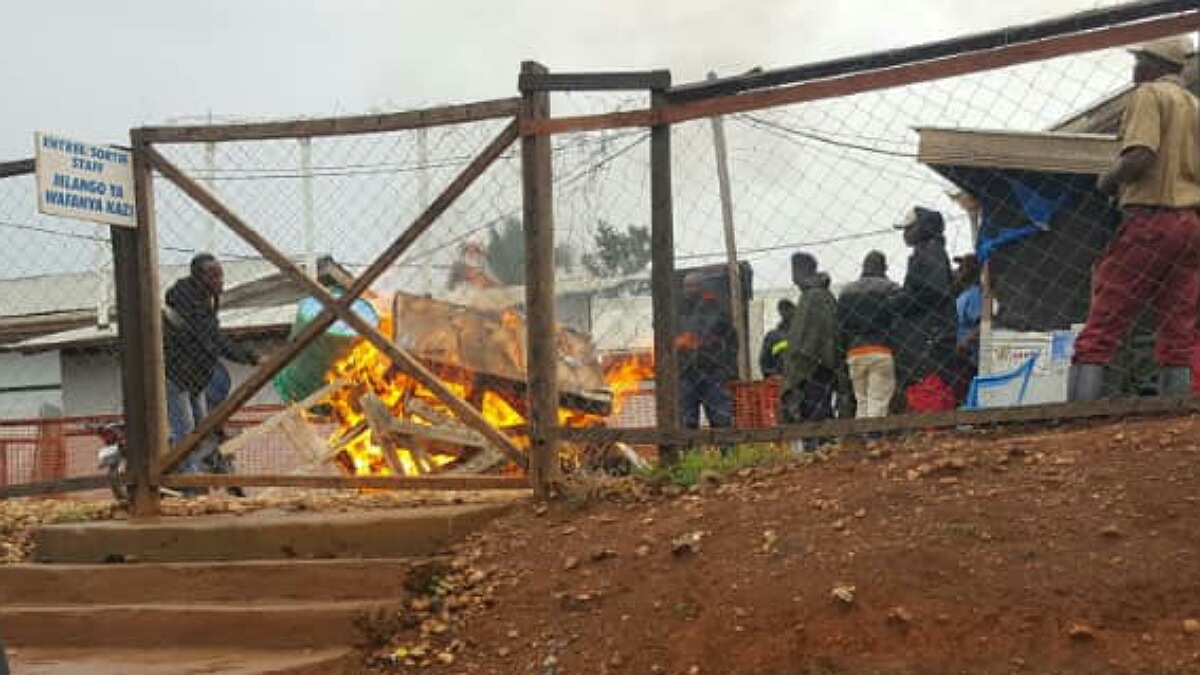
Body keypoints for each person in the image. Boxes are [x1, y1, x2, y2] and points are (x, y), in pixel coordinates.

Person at [1070, 36, 1200, 400]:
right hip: (1190, 225)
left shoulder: (1149, 95)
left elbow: (1141, 154)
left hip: (1150, 219)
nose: (1135, 67)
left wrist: (1107, 181)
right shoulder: (1195, 105)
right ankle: (1174, 414)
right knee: (1178, 323)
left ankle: (1074, 416)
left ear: (1155, 65)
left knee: (1106, 316)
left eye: (1140, 59)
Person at [163, 254, 259, 475]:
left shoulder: (205, 300)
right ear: (200, 278)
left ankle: (196, 471)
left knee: (202, 429)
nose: (220, 281)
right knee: (186, 430)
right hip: (176, 377)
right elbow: (214, 339)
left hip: (196, 377)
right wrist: (252, 357)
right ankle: (188, 478)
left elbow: (213, 337)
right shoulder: (190, 305)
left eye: (221, 275)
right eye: (214, 276)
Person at [890, 207, 958, 412]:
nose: (905, 234)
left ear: (923, 227)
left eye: (909, 228)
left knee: (930, 391)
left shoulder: (931, 251)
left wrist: (899, 301)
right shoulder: (926, 251)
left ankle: (932, 425)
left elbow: (934, 291)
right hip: (925, 335)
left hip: (930, 336)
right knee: (925, 390)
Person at [780, 252, 841, 426]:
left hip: (814, 367)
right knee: (813, 413)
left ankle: (820, 441)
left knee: (816, 414)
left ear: (803, 270)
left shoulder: (815, 296)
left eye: (794, 270)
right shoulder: (811, 295)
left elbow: (819, 336)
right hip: (810, 366)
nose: (793, 276)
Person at [674, 272, 737, 437]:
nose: (690, 289)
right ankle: (689, 450)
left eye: (694, 285)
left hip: (713, 372)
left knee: (720, 419)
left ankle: (726, 450)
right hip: (686, 373)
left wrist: (728, 368)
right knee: (686, 421)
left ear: (703, 286)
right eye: (687, 286)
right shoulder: (677, 311)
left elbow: (732, 341)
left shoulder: (718, 310)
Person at [838, 250, 899, 418]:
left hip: (854, 353)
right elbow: (898, 322)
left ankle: (862, 433)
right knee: (878, 401)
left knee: (862, 402)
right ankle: (875, 433)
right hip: (881, 350)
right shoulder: (891, 288)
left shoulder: (846, 292)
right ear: (884, 267)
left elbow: (841, 326)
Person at [953, 254, 983, 403]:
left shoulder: (975, 294)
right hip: (962, 358)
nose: (959, 270)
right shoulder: (962, 295)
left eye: (963, 267)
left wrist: (965, 342)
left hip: (972, 358)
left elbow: (983, 324)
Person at [759, 299, 795, 378]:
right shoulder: (773, 337)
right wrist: (773, 374)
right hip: (779, 379)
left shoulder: (802, 337)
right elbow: (765, 363)